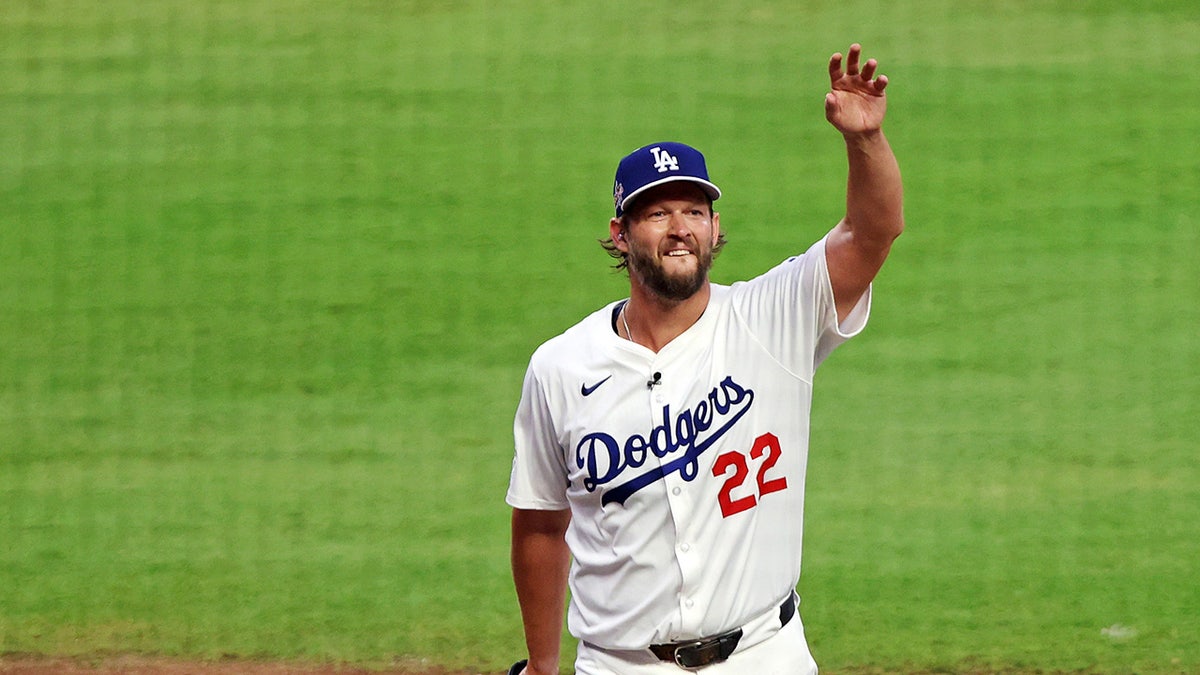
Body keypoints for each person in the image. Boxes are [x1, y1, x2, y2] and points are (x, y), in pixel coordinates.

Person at [505, 44, 903, 675]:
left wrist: (865, 140)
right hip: (621, 665)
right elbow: (538, 524)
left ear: (717, 228)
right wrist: (543, 665)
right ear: (620, 233)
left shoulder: (776, 317)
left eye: (694, 211)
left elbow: (873, 232)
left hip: (764, 656)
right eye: (657, 213)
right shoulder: (560, 368)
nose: (679, 227)